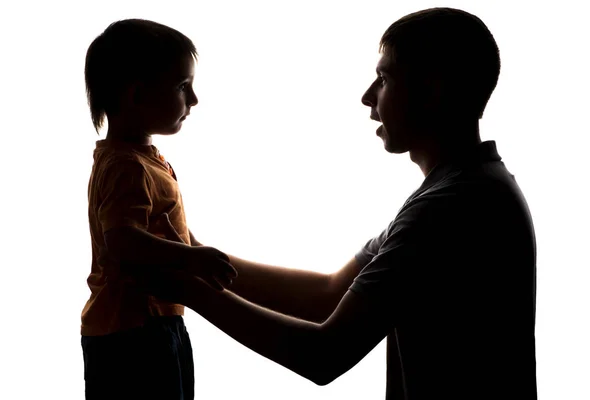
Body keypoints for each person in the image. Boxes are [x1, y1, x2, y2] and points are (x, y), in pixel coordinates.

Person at [143, 7, 537, 399]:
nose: (367, 96)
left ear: (432, 90)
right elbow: (328, 293)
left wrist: (187, 289)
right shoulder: (464, 189)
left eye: (384, 78)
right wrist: (190, 252)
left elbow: (323, 354)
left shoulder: (450, 207)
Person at [80, 19, 237, 400]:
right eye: (183, 87)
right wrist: (191, 258)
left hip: (157, 319)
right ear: (135, 95)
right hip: (133, 330)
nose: (194, 99)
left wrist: (192, 248)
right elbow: (123, 241)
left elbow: (159, 229)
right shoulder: (126, 167)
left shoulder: (144, 160)